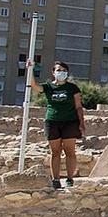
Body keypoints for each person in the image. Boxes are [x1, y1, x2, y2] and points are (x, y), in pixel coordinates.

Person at [29, 60, 85, 190]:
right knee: (55, 152)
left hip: (70, 122)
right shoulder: (48, 87)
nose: (61, 73)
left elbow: (78, 106)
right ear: (53, 72)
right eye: (59, 70)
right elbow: (34, 86)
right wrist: (30, 70)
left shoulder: (72, 88)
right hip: (52, 121)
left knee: (70, 151)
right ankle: (55, 179)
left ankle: (70, 178)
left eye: (64, 71)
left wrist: (81, 123)